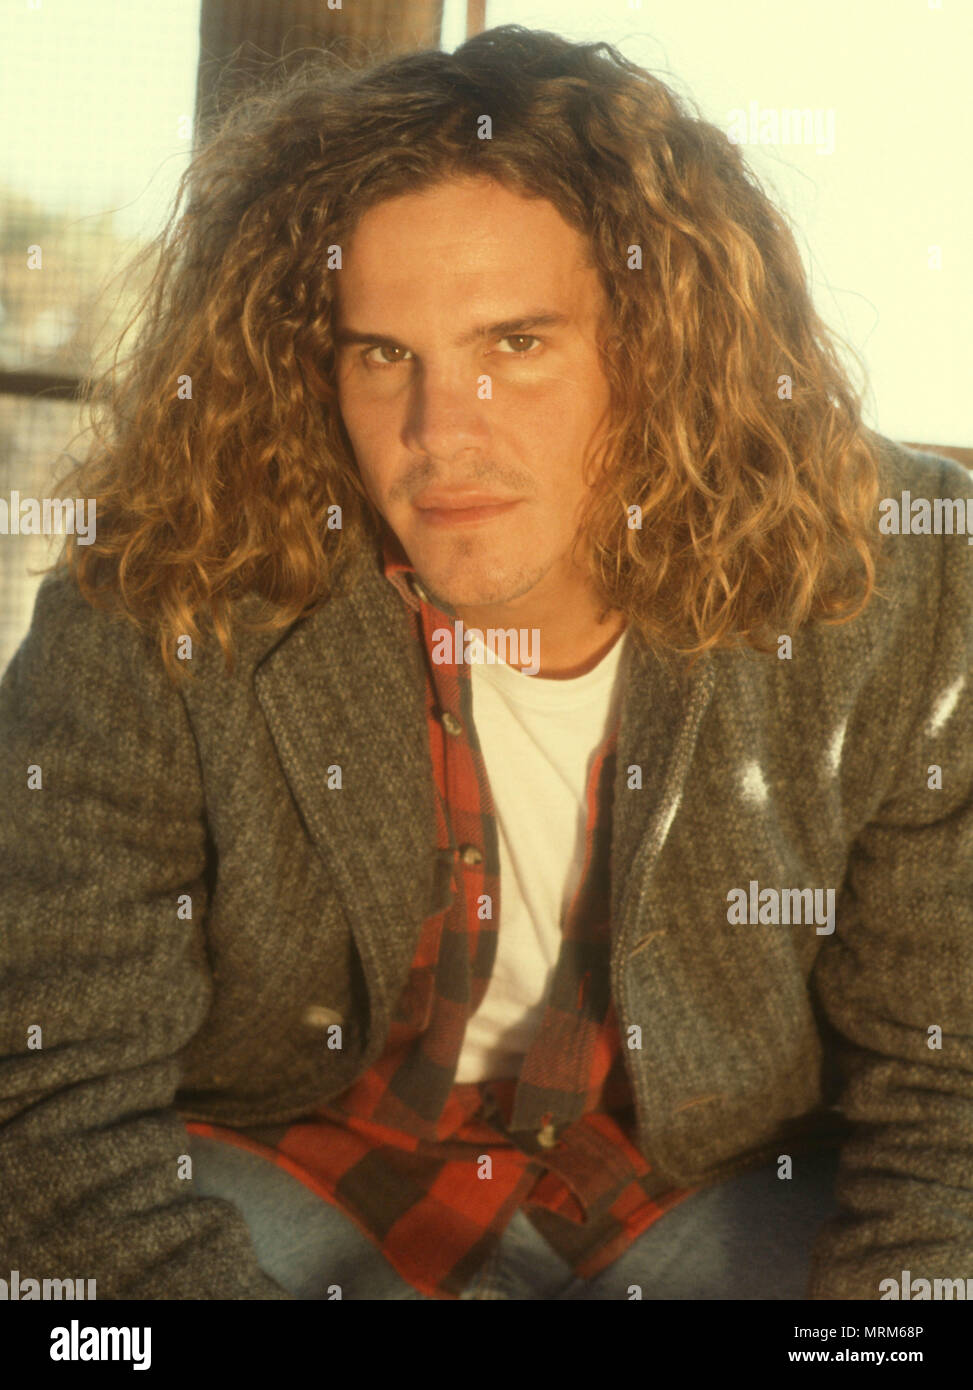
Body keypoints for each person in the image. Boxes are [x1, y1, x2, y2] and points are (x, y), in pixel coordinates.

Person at [1, 25, 970, 1302]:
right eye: (382, 353)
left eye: (516, 343)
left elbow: (949, 1096)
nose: (439, 432)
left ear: (665, 347)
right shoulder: (174, 566)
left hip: (705, 1180)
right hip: (283, 1155)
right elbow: (47, 1085)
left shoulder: (908, 575)